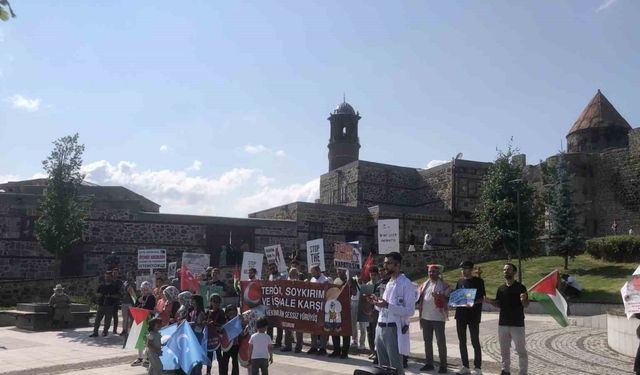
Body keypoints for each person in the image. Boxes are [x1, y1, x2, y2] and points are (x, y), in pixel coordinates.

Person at [368, 252, 416, 375]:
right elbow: (383, 307)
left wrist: (387, 305)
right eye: (385, 263)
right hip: (380, 326)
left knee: (395, 366)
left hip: (393, 328)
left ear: (397, 265)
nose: (385, 266)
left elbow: (410, 311)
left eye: (388, 263)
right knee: (382, 366)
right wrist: (376, 302)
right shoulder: (388, 283)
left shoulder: (406, 284)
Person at [486, 263, 528, 375]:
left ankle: (523, 372)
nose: (506, 271)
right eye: (504, 270)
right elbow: (499, 304)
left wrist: (524, 299)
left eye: (508, 270)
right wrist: (490, 301)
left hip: (517, 323)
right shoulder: (501, 288)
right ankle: (505, 370)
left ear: (514, 272)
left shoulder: (521, 287)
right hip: (503, 323)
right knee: (504, 350)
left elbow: (526, 304)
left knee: (520, 350)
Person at [417, 264, 451, 373]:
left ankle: (443, 365)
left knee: (440, 342)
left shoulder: (444, 285)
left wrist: (440, 296)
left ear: (438, 273)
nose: (431, 274)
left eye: (434, 272)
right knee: (427, 341)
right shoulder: (424, 284)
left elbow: (448, 299)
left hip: (438, 318)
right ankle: (429, 363)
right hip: (425, 317)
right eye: (430, 272)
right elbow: (418, 297)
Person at [454, 260, 486, 375]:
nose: (463, 271)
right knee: (461, 341)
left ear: (471, 269)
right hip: (460, 316)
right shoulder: (460, 281)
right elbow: (457, 297)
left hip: (473, 315)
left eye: (465, 269)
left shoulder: (478, 281)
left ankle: (477, 368)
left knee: (474, 341)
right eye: (462, 269)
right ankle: (465, 366)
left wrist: (471, 302)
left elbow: (482, 298)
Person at [132, 281, 157, 367]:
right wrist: (139, 303)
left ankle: (147, 358)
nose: (144, 291)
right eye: (143, 289)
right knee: (140, 338)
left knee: (147, 339)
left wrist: (141, 303)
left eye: (146, 289)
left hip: (147, 320)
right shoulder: (140, 297)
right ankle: (140, 357)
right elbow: (135, 307)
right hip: (139, 320)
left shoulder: (151, 297)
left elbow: (147, 308)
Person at [307, 265, 329, 356]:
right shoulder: (312, 279)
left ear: (319, 271)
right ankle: (314, 346)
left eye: (314, 272)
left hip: (323, 308)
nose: (312, 274)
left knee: (322, 328)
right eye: (311, 273)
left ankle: (323, 347)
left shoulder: (325, 280)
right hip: (314, 308)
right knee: (313, 328)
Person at [330, 268, 351, 359]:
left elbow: (353, 292)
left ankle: (345, 352)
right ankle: (336, 350)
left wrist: (349, 281)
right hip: (334, 308)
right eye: (337, 270)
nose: (338, 272)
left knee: (345, 331)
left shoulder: (350, 281)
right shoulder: (335, 281)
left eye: (340, 270)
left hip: (345, 309)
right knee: (334, 330)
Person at [90, 271, 119, 337]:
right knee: (97, 320)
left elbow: (118, 295)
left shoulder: (114, 286)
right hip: (101, 305)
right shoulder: (101, 286)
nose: (107, 278)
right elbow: (96, 294)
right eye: (106, 276)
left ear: (111, 277)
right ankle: (95, 332)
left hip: (109, 305)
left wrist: (110, 296)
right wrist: (99, 295)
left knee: (107, 321)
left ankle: (105, 332)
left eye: (108, 277)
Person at [282, 267, 304, 353]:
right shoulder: (286, 283)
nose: (293, 275)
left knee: (298, 329)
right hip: (288, 309)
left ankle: (298, 347)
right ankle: (288, 345)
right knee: (287, 328)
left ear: (298, 274)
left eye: (295, 274)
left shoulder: (301, 284)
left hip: (298, 310)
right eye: (291, 274)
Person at [205, 294, 226, 375]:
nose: (215, 303)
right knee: (209, 355)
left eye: (217, 302)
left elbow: (223, 324)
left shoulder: (221, 312)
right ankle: (208, 372)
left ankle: (222, 372)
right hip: (210, 336)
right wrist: (205, 323)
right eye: (213, 301)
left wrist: (214, 323)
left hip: (217, 336)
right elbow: (205, 321)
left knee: (219, 356)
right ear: (210, 302)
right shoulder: (208, 311)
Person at [366, 266, 381, 363]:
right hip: (368, 312)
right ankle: (372, 350)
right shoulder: (367, 284)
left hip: (377, 311)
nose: (373, 277)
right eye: (371, 275)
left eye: (374, 275)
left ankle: (377, 352)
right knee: (369, 332)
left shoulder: (380, 284)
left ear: (377, 275)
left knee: (376, 332)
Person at [267, 263, 284, 348]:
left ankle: (278, 342)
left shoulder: (281, 276)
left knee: (279, 324)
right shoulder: (270, 276)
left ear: (276, 268)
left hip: (279, 303)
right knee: (269, 323)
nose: (272, 270)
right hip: (271, 303)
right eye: (270, 269)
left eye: (273, 268)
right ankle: (269, 341)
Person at [221, 304, 241, 375]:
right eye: (229, 310)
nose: (231, 312)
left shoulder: (238, 321)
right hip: (226, 346)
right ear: (226, 312)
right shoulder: (224, 321)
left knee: (235, 362)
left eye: (233, 310)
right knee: (225, 362)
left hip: (235, 345)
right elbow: (221, 331)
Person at [191, 294, 207, 375]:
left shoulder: (201, 313)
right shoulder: (192, 312)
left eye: (193, 300)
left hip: (198, 336)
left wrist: (194, 324)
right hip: (192, 336)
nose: (191, 302)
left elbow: (202, 326)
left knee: (197, 356)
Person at [111, 268, 124, 335]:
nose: (115, 274)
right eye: (114, 272)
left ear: (118, 274)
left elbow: (121, 291)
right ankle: (105, 330)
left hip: (115, 300)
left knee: (115, 316)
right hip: (108, 300)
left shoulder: (120, 282)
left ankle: (114, 330)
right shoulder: (110, 280)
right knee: (107, 316)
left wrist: (118, 296)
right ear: (112, 273)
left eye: (116, 272)